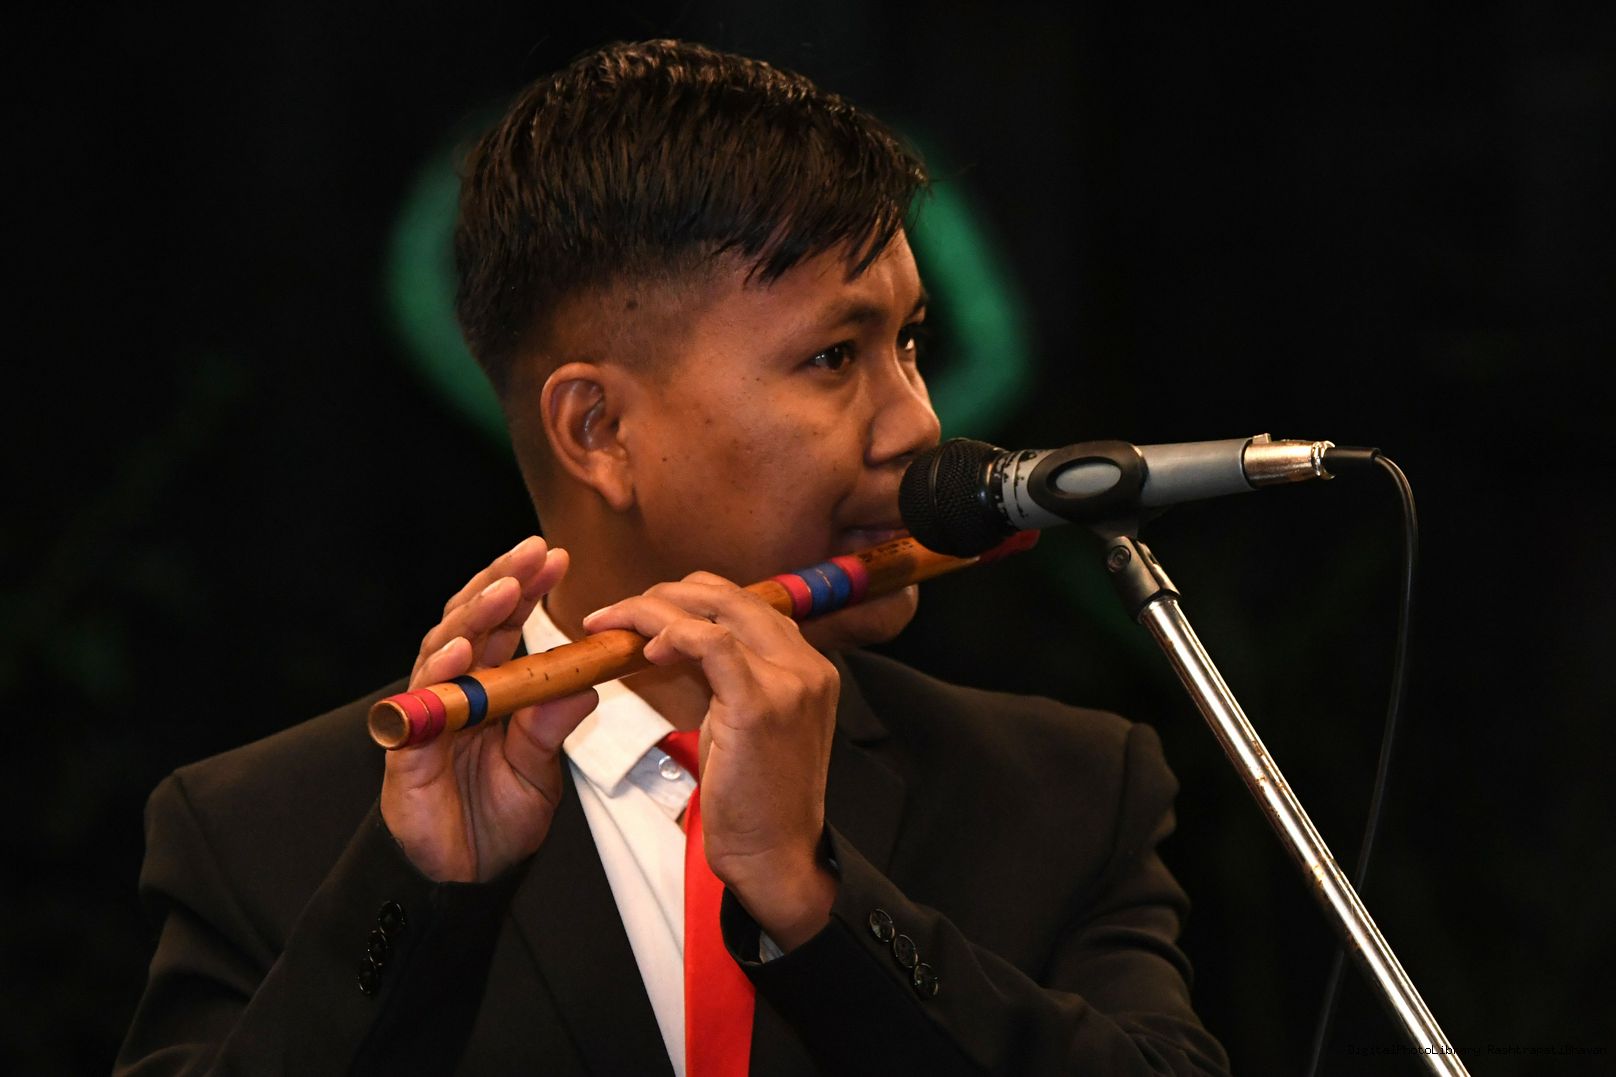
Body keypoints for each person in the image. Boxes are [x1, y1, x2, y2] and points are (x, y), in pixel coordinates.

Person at [117, 39, 1230, 1075]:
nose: (918, 425)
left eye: (909, 343)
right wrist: (424, 898)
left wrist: (815, 900)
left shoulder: (1069, 791)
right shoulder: (259, 834)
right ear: (598, 430)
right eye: (833, 356)